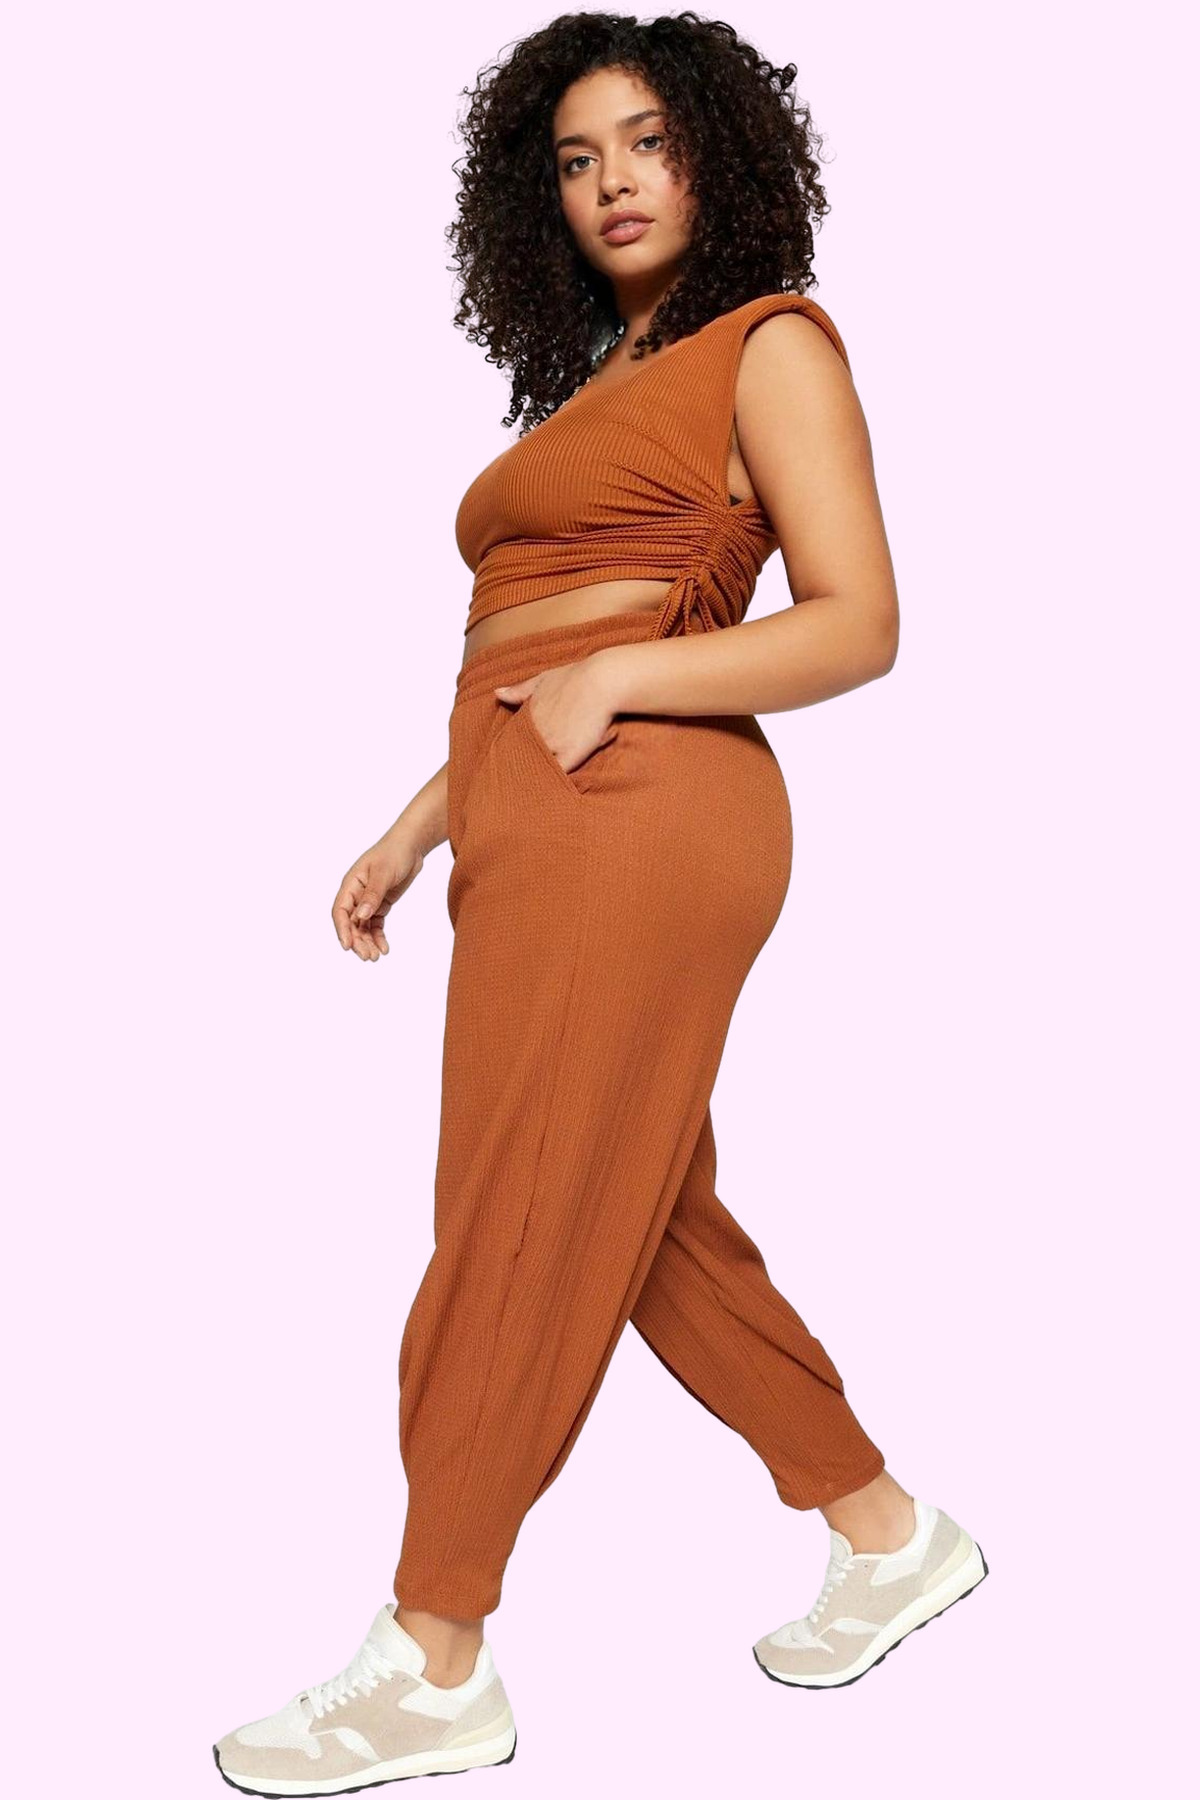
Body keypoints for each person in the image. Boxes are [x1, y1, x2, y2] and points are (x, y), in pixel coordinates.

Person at [213, 15, 987, 1793]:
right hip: (529, 807)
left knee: (519, 1201)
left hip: (645, 801)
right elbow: (529, 643)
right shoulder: (589, 387)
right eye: (576, 159)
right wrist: (421, 822)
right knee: (635, 1205)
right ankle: (884, 1530)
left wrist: (623, 683)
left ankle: (435, 1649)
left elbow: (859, 621)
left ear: (719, 153)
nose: (613, 182)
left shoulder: (764, 344)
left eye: (648, 141)